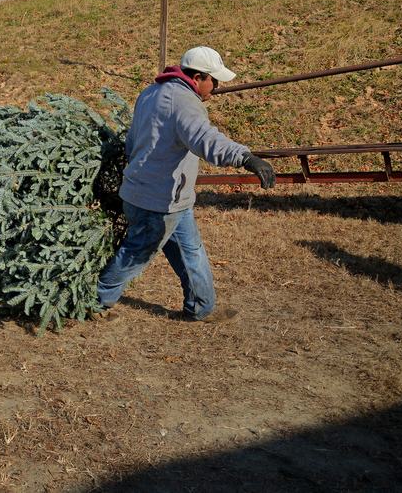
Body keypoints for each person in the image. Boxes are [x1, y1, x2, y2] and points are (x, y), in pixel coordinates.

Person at [95, 46, 275, 323]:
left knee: (191, 252)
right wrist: (246, 158)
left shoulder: (151, 92)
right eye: (213, 81)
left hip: (166, 197)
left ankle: (201, 307)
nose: (214, 88)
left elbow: (133, 142)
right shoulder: (183, 102)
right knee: (136, 255)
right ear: (198, 77)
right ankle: (95, 301)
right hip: (156, 201)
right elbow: (206, 139)